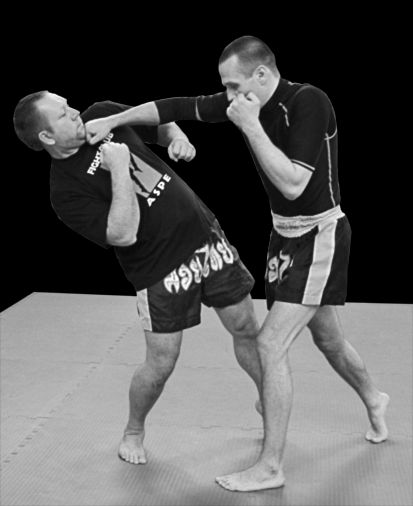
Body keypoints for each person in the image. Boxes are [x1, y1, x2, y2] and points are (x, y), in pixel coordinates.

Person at [85, 35, 390, 491]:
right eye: (224, 88)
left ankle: (271, 467)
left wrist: (250, 125)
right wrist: (115, 118)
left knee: (269, 344)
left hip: (319, 235)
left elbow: (293, 184)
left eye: (233, 86)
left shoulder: (308, 102)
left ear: (261, 75)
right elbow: (176, 107)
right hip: (283, 237)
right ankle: (374, 397)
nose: (227, 96)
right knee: (328, 338)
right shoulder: (242, 100)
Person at [13, 91, 264, 466]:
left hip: (204, 235)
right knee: (161, 364)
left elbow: (159, 124)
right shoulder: (65, 192)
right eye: (63, 114)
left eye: (69, 105)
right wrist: (117, 167)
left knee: (245, 326)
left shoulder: (102, 115)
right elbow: (123, 234)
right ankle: (133, 430)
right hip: (159, 268)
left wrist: (177, 137)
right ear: (46, 137)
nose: (75, 112)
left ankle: (267, 399)